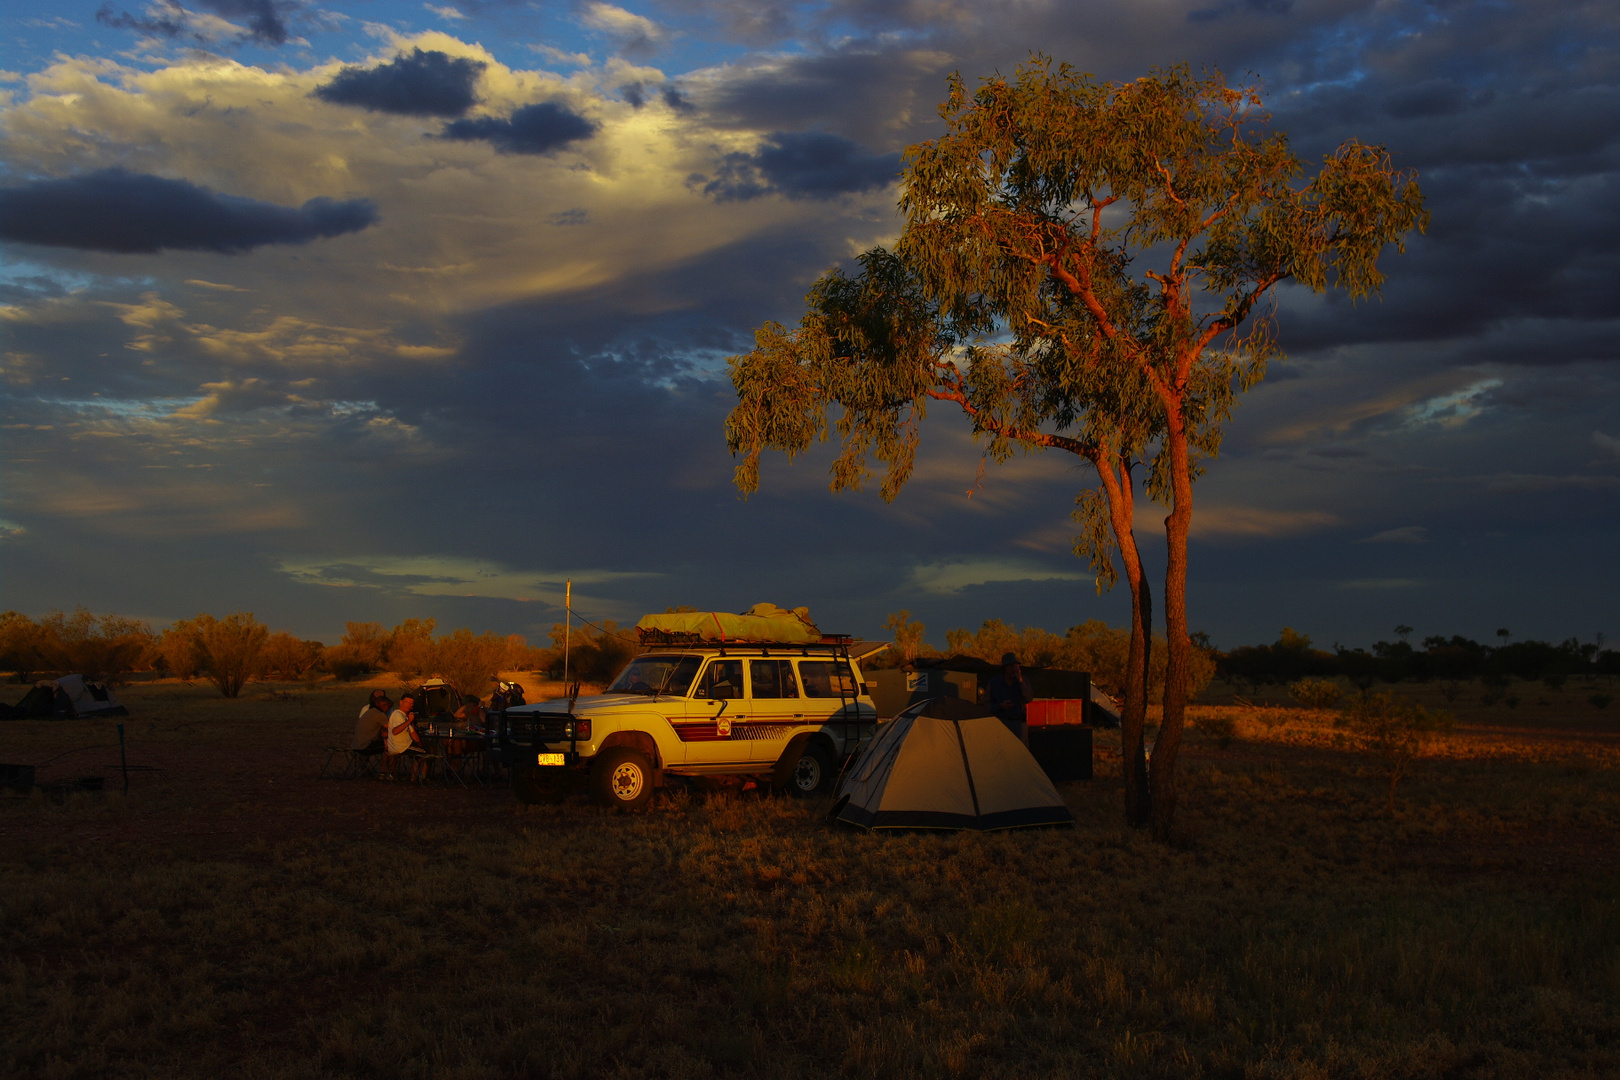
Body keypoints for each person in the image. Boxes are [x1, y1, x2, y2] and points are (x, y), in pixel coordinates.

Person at [987, 652, 1034, 746]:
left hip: (1019, 724)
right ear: (1005, 668)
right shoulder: (995, 683)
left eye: (1016, 666)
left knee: (1021, 753)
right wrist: (1000, 706)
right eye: (1011, 666)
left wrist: (1020, 680)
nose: (1014, 669)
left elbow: (1028, 698)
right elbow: (986, 704)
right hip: (1002, 723)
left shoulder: (1023, 681)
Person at [385, 693, 428, 778]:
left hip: (407, 744)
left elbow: (413, 734)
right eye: (407, 703)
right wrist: (408, 721)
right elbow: (395, 731)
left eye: (411, 703)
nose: (410, 705)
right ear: (401, 702)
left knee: (425, 748)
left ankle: (414, 776)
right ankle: (422, 776)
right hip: (401, 746)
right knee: (427, 753)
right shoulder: (397, 715)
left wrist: (411, 722)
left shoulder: (405, 716)